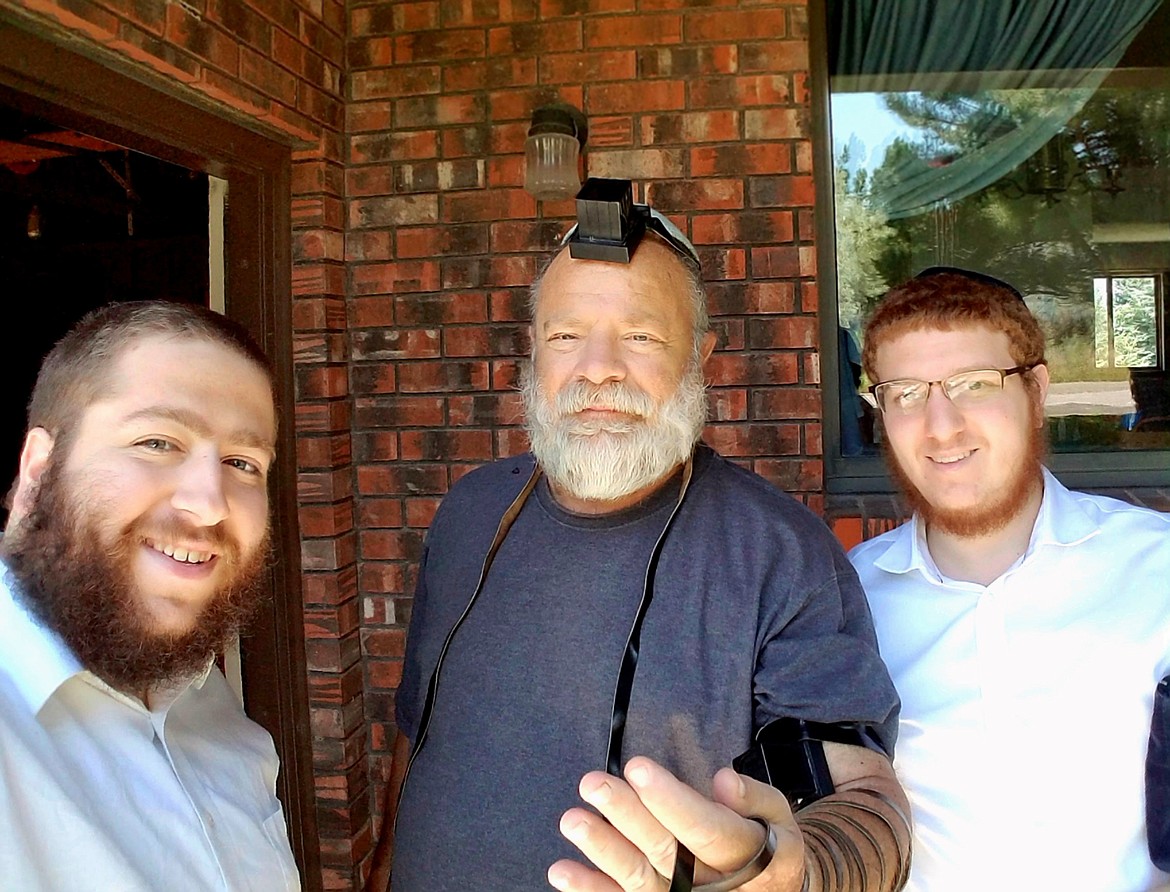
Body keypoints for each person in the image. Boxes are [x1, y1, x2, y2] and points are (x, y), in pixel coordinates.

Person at [368, 199, 911, 892]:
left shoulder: (779, 554)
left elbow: (863, 796)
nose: (600, 369)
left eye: (643, 338)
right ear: (534, 347)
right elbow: (417, 737)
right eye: (566, 335)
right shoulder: (468, 514)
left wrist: (795, 871)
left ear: (700, 356)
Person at [849, 267, 1170, 891]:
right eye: (908, 393)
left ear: (1036, 390)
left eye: (973, 384)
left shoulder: (1159, 568)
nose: (943, 427)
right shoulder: (843, 602)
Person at [0, 301, 300, 891]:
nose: (210, 503)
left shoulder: (207, 704)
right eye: (158, 442)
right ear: (38, 467)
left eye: (243, 463)